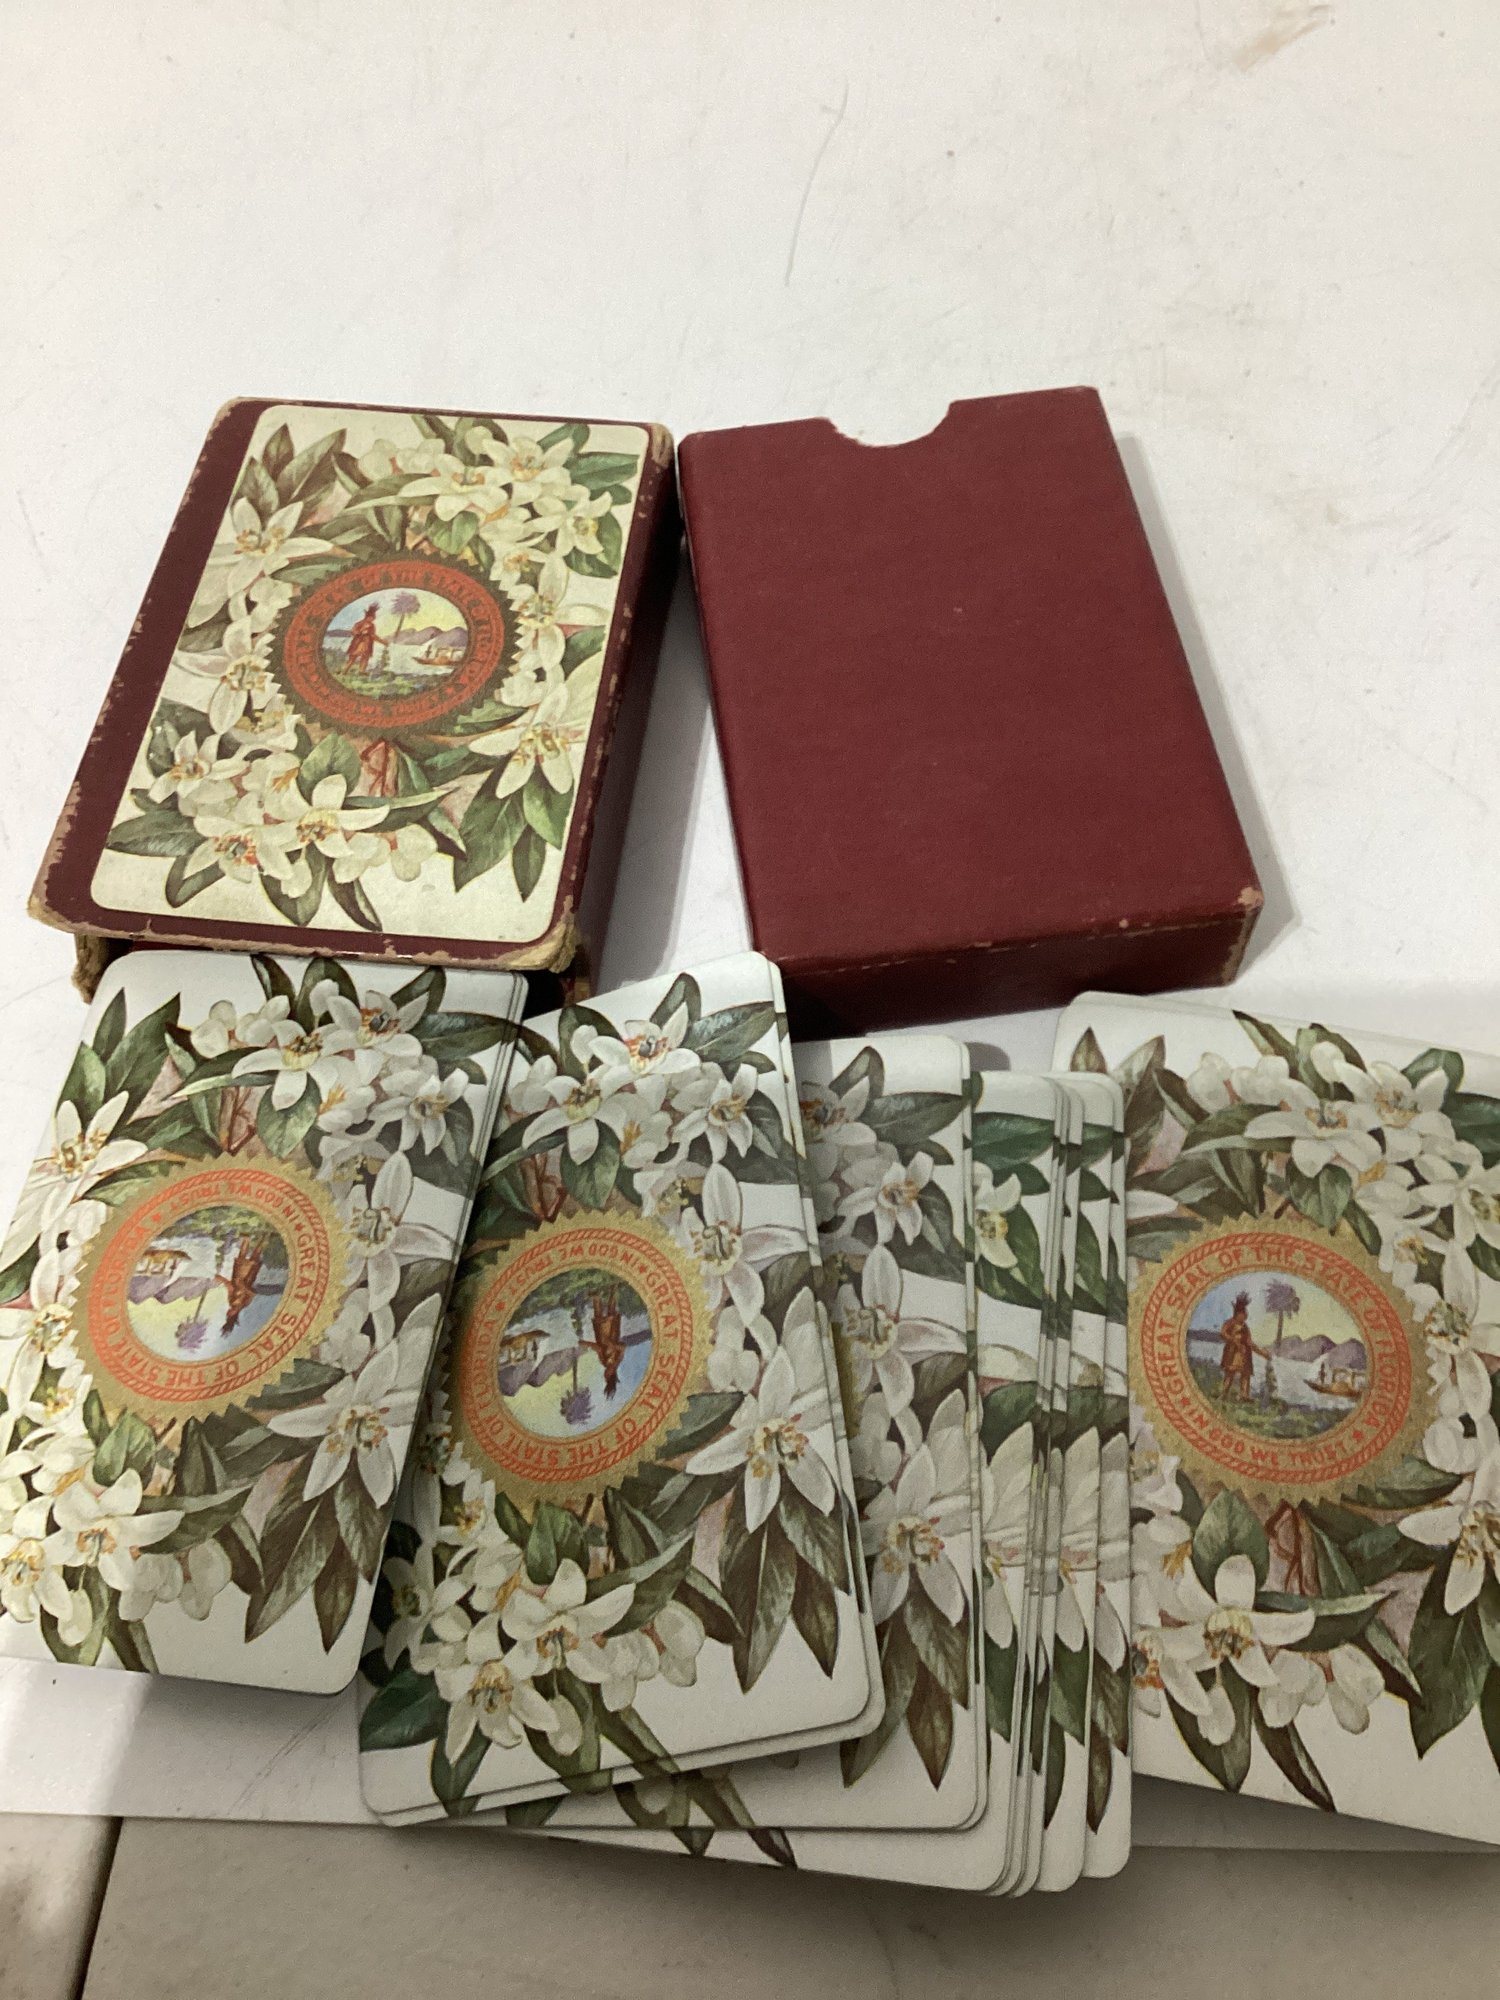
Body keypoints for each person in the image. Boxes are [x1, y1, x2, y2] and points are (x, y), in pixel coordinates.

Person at [1218, 1291, 1255, 1402]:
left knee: (1246, 1374)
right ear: (1238, 1313)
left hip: (1244, 1354)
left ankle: (1244, 1395)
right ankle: (1223, 1394)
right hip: (1232, 1352)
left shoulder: (1245, 1326)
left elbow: (1249, 1340)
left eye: (1246, 1313)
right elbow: (1223, 1333)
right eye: (1244, 1313)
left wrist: (1261, 1351)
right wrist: (1233, 1340)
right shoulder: (1230, 1322)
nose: (1246, 1315)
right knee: (1230, 1372)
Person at [343, 602, 379, 674]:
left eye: (373, 618)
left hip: (367, 644)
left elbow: (373, 635)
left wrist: (381, 641)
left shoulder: (372, 625)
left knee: (365, 658)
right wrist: (361, 631)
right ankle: (344, 671)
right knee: (353, 657)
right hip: (358, 643)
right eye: (371, 617)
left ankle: (361, 672)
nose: (372, 619)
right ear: (367, 617)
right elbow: (353, 631)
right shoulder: (360, 623)